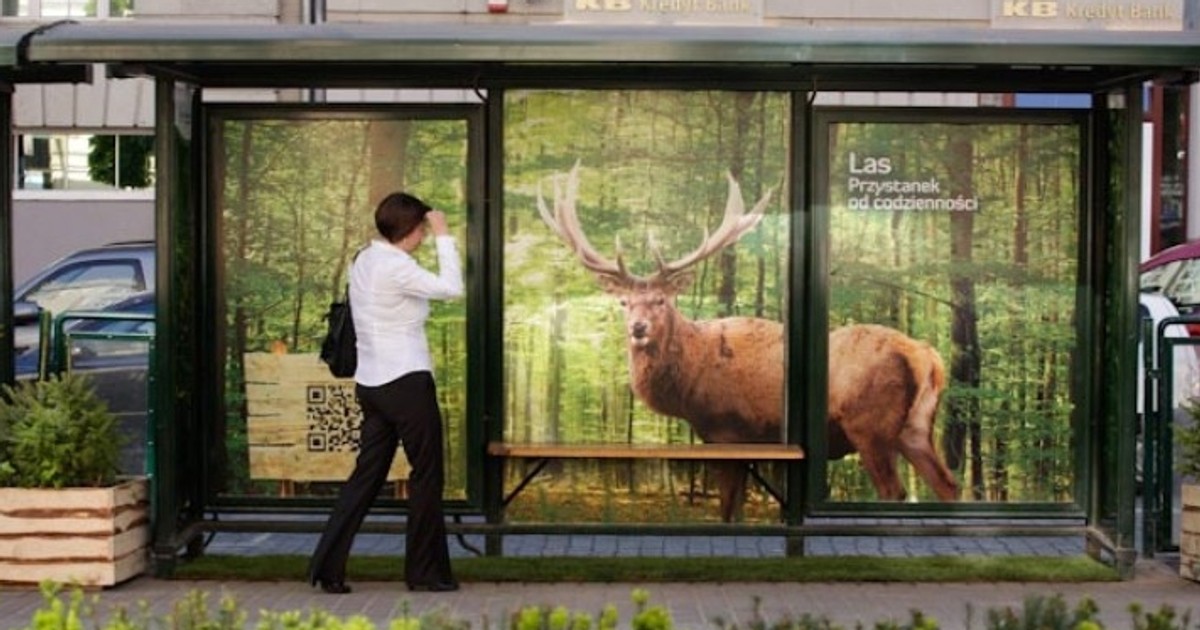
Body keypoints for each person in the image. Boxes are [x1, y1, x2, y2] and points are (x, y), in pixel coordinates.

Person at [308, 192, 464, 594]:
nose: (426, 238)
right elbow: (451, 287)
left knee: (366, 477)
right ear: (411, 232)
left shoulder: (365, 258)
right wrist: (446, 235)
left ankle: (327, 567)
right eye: (423, 231)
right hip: (407, 381)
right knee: (428, 475)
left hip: (372, 384)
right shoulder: (396, 267)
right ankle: (425, 574)